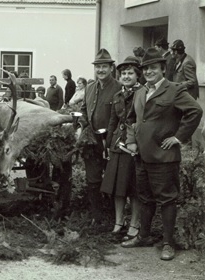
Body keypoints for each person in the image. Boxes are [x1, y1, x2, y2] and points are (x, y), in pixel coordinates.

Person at [121, 47, 203, 261]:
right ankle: (144, 236)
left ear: (163, 69)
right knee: (145, 198)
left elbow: (195, 111)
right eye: (146, 69)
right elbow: (131, 119)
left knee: (167, 199)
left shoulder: (174, 90)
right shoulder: (139, 92)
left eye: (153, 68)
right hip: (141, 156)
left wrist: (179, 137)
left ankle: (168, 243)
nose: (149, 72)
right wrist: (131, 141)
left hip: (164, 157)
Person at [100, 56, 142, 239]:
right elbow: (112, 122)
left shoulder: (143, 93)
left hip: (135, 145)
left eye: (130, 73)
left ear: (137, 75)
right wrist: (108, 145)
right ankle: (119, 222)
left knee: (133, 188)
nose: (126, 76)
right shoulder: (117, 96)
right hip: (118, 145)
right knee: (117, 188)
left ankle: (135, 224)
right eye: (123, 73)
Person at [79, 48, 122, 223]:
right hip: (92, 141)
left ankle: (113, 217)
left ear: (111, 68)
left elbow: (124, 116)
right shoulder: (89, 87)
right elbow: (83, 110)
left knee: (113, 179)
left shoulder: (119, 88)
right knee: (92, 179)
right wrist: (83, 125)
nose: (101, 70)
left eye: (104, 66)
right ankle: (96, 215)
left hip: (112, 142)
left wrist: (115, 138)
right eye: (98, 67)